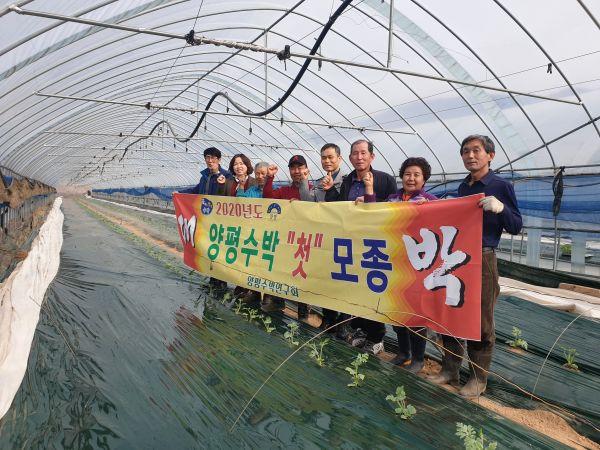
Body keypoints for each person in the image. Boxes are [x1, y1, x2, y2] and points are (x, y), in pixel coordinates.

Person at [428, 134, 522, 398]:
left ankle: (478, 378)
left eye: (476, 150)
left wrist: (501, 208)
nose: (470, 155)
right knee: (453, 313)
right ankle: (450, 369)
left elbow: (516, 225)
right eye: (465, 151)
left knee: (481, 320)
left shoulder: (500, 186)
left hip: (483, 258)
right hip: (458, 258)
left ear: (490, 155)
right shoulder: (463, 187)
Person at [360, 157, 437, 372]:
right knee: (396, 308)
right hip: (393, 260)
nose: (411, 178)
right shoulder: (394, 198)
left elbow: (441, 222)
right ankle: (403, 353)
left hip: (417, 265)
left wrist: (429, 209)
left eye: (416, 175)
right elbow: (376, 214)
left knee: (415, 311)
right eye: (407, 174)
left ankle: (418, 359)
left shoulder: (429, 200)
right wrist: (367, 194)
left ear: (424, 179)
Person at [329, 139, 397, 355]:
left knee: (373, 290)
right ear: (350, 158)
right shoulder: (347, 181)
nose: (359, 157)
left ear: (372, 156)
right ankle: (362, 330)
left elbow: (395, 207)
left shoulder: (385, 180)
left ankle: (377, 336)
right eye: (355, 154)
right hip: (353, 243)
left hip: (376, 245)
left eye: (363, 153)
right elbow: (340, 208)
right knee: (356, 290)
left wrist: (370, 199)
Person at [299, 143, 347, 332]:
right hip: (323, 239)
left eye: (330, 157)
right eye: (324, 158)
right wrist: (304, 180)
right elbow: (308, 202)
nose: (327, 161)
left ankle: (343, 324)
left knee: (342, 282)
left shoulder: (346, 181)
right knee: (325, 279)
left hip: (342, 239)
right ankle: (328, 319)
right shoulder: (320, 182)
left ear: (339, 158)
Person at [262, 155, 311, 318]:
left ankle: (303, 308)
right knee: (282, 270)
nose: (296, 171)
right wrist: (270, 177)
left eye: (300, 167)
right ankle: (277, 301)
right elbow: (268, 197)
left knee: (302, 273)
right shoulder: (284, 190)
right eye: (293, 168)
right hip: (286, 239)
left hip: (305, 240)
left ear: (306, 169)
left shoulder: (314, 189)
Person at [180, 147, 232, 291]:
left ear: (219, 160)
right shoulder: (205, 177)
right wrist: (179, 193)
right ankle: (213, 279)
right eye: (207, 157)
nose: (210, 160)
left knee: (219, 250)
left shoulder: (227, 176)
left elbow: (229, 195)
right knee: (210, 249)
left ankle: (221, 281)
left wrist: (222, 183)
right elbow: (196, 190)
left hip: (220, 221)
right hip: (206, 220)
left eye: (213, 158)